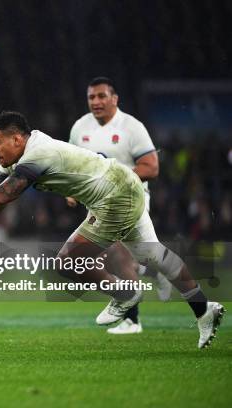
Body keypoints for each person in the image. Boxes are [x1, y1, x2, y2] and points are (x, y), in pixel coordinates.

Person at [0, 111, 225, 349]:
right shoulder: (18, 158)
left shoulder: (36, 155)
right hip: (121, 187)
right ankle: (203, 309)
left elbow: (3, 198)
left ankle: (126, 293)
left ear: (17, 139)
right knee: (155, 255)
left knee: (67, 261)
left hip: (115, 196)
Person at [68, 77, 172, 334]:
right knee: (123, 257)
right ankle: (153, 269)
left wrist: (115, 182)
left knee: (116, 255)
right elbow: (70, 167)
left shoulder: (131, 127)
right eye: (92, 97)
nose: (96, 102)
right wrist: (70, 190)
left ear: (114, 99)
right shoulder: (80, 128)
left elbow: (151, 166)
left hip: (130, 200)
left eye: (102, 96)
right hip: (96, 204)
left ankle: (132, 320)